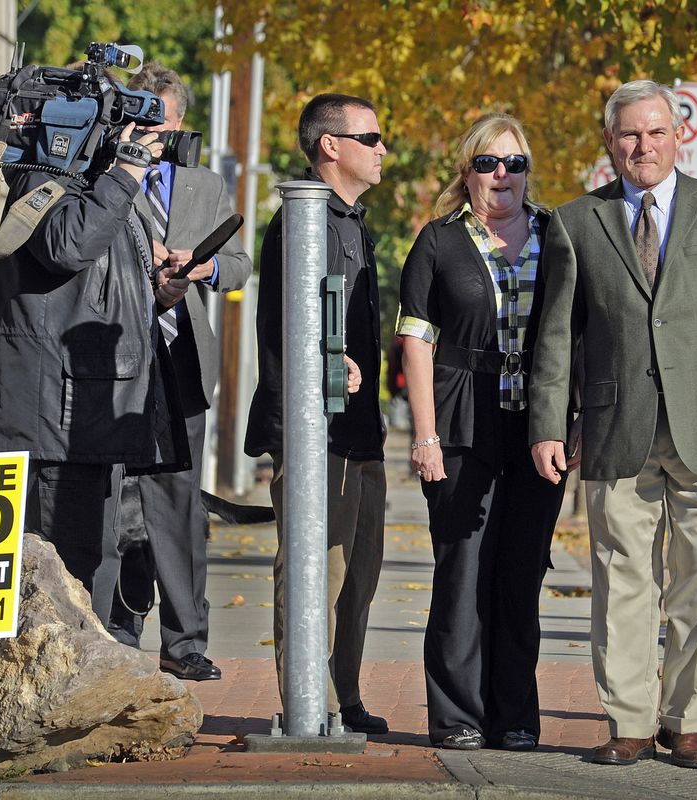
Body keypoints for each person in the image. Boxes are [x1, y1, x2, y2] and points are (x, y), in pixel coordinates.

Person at [529, 80, 697, 769]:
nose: (642, 146)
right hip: (617, 428)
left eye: (655, 133)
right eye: (629, 135)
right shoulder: (576, 221)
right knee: (622, 581)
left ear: (678, 137)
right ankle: (630, 723)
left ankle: (689, 721)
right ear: (610, 142)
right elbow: (557, 337)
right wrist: (549, 425)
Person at [0, 100, 187, 630]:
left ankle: (80, 690)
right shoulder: (42, 177)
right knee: (65, 572)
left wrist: (156, 292)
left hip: (83, 412)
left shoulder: (91, 185)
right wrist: (126, 171)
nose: (145, 140)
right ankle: (53, 697)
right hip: (50, 418)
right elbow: (68, 246)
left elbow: (95, 280)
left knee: (89, 565)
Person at [397, 114, 567, 752]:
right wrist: (424, 434)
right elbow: (415, 341)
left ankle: (515, 717)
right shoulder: (437, 241)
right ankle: (458, 718)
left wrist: (573, 419)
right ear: (467, 172)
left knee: (521, 575)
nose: (503, 176)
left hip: (538, 428)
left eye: (515, 164)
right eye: (488, 164)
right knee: (463, 571)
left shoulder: (558, 235)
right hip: (461, 420)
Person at [244, 93, 388, 735]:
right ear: (331, 146)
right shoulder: (302, 222)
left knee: (358, 576)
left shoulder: (353, 222)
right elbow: (288, 333)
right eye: (372, 137)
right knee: (312, 574)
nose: (384, 149)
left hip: (361, 432)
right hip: (314, 433)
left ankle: (344, 698)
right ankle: (307, 702)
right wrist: (331, 367)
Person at [108, 61, 252, 682]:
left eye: (162, 126)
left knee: (179, 505)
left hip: (182, 357)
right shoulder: (103, 177)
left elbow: (242, 264)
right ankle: (113, 633)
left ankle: (185, 640)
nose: (152, 136)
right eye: (142, 122)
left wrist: (205, 270)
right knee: (115, 502)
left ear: (181, 122)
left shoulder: (203, 185)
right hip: (114, 354)